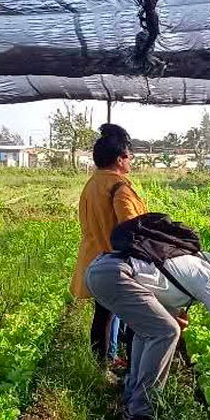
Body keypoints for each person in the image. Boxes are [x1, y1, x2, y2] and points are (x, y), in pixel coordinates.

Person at [87, 245, 210, 420]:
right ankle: (139, 414)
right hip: (115, 274)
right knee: (167, 332)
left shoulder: (198, 263)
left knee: (149, 330)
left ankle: (131, 397)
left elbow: (161, 294)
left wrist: (175, 317)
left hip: (102, 268)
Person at [71, 124, 148, 363]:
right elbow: (132, 228)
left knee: (105, 314)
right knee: (110, 315)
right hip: (114, 262)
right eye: (129, 156)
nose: (130, 161)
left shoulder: (92, 184)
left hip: (93, 257)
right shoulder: (119, 188)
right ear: (119, 159)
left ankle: (107, 360)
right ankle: (106, 363)